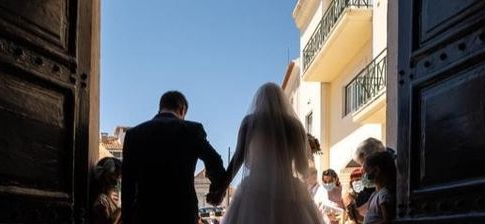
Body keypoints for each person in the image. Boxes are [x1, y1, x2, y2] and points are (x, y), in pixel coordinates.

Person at [215, 82, 325, 224]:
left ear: (258, 102)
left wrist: (221, 188)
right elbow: (301, 167)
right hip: (290, 191)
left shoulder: (250, 123)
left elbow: (238, 159)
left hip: (255, 189)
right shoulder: (295, 127)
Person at [121, 90, 227, 224]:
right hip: (182, 213)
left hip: (146, 214)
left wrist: (127, 219)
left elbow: (128, 183)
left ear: (160, 108)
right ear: (182, 110)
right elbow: (214, 160)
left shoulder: (134, 135)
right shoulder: (192, 130)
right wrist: (217, 190)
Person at [361, 151, 396, 224]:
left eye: (367, 171)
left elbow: (387, 220)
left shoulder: (384, 195)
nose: (365, 176)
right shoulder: (376, 194)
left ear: (376, 170)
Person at [92, 157, 122, 224]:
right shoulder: (101, 200)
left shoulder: (110, 198)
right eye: (117, 176)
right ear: (107, 177)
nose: (118, 180)